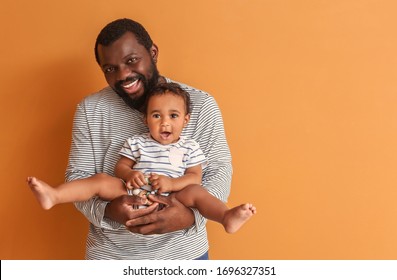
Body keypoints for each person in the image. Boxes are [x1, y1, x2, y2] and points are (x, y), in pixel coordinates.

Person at [63, 18, 234, 260]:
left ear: (153, 52)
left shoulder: (201, 105)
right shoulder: (90, 110)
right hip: (111, 257)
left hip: (185, 255)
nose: (124, 75)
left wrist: (188, 216)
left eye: (131, 60)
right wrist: (109, 210)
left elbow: (218, 170)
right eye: (110, 69)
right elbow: (78, 177)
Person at [27, 83, 256, 234]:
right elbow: (122, 166)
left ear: (185, 121)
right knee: (99, 180)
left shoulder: (190, 146)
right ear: (146, 120)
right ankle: (55, 195)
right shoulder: (137, 142)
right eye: (156, 116)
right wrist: (130, 174)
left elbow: (195, 176)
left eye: (173, 116)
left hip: (175, 198)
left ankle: (226, 216)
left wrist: (172, 184)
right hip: (134, 193)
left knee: (197, 193)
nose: (165, 122)